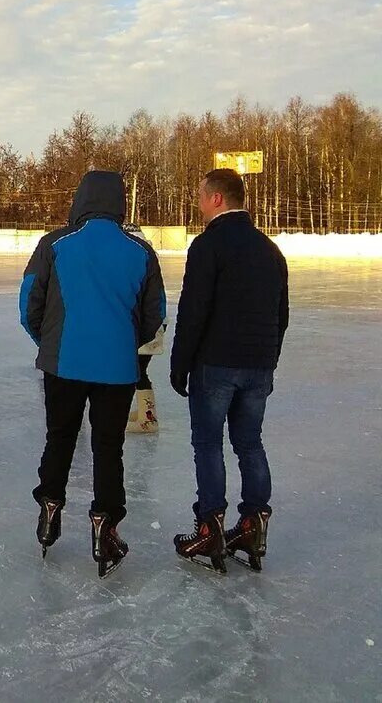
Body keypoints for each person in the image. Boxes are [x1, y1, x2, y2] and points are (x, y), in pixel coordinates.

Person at [19, 171, 166, 578]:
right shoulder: (140, 250)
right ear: (120, 202)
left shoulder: (54, 244)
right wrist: (133, 357)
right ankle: (105, 525)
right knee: (108, 448)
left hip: (63, 363)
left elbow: (28, 304)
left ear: (79, 199)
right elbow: (156, 317)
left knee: (59, 438)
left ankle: (50, 505)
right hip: (117, 369)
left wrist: (47, 343)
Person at [170, 169, 288, 573]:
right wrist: (269, 358)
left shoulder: (208, 246)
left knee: (208, 444)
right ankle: (253, 524)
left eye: (201, 195)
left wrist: (179, 364)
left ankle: (211, 527)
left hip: (216, 364)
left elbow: (193, 311)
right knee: (250, 443)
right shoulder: (270, 249)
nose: (198, 202)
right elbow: (281, 314)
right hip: (258, 364)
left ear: (217, 199)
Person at [124, 225, 164, 433]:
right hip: (152, 326)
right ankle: (145, 412)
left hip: (144, 328)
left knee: (137, 371)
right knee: (138, 369)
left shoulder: (137, 259)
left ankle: (148, 419)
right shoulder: (147, 257)